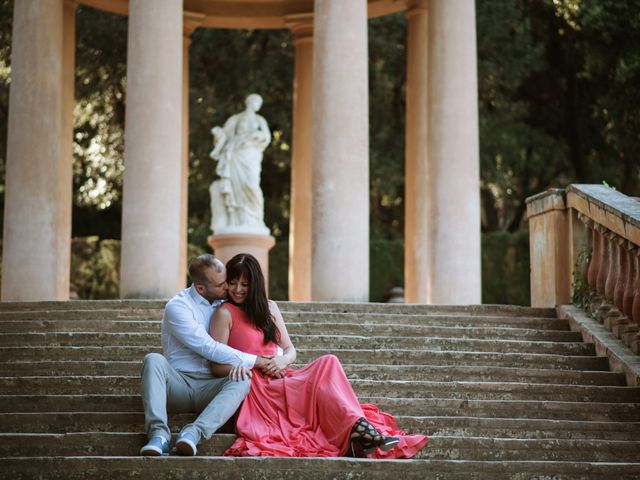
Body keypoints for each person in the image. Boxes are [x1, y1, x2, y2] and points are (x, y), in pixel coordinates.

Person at [208, 253, 429, 458]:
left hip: (281, 375)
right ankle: (361, 431)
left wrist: (282, 361)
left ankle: (357, 428)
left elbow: (290, 350)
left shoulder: (270, 308)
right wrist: (255, 365)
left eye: (245, 284)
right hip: (256, 387)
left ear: (255, 285)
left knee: (328, 362)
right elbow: (215, 366)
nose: (237, 289)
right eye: (233, 282)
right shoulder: (224, 313)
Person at [139, 254, 271, 457]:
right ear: (201, 288)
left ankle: (193, 433)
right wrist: (258, 361)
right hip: (179, 384)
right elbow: (208, 347)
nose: (228, 288)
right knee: (153, 359)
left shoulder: (224, 304)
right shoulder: (178, 307)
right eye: (222, 284)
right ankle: (159, 435)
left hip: (213, 385)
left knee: (243, 377)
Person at [209, 93, 271, 235]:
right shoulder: (236, 118)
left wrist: (257, 136)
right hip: (236, 153)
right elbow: (225, 135)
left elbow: (267, 137)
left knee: (251, 185)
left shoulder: (260, 120)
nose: (258, 105)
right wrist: (218, 134)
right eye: (256, 101)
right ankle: (236, 219)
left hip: (251, 155)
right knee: (236, 186)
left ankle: (254, 219)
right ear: (249, 102)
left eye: (259, 103)